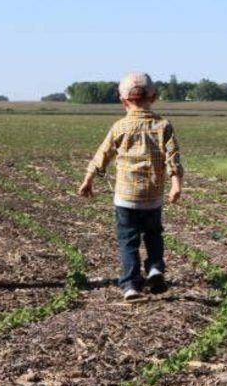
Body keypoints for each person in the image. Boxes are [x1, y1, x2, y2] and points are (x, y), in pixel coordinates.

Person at [78, 72, 184, 300]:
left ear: (123, 100)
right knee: (154, 235)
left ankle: (130, 286)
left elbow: (102, 154)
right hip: (152, 197)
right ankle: (155, 268)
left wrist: (88, 179)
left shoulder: (119, 127)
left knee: (128, 240)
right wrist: (176, 184)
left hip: (125, 198)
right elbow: (172, 157)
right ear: (153, 97)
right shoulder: (163, 126)